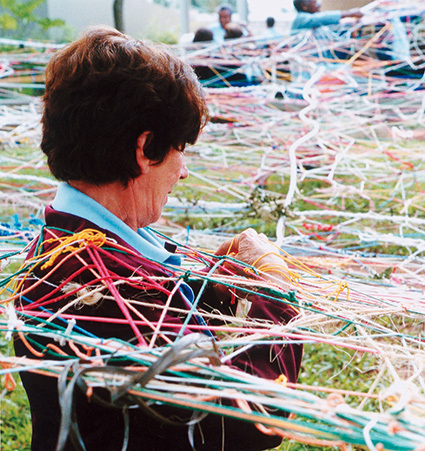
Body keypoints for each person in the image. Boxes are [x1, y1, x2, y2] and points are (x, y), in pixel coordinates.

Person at [13, 26, 302, 450]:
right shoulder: (105, 284)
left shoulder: (63, 241)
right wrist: (275, 288)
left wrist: (220, 293)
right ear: (145, 149)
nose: (183, 171)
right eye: (180, 148)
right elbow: (251, 418)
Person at [290, 0, 363, 34]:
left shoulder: (309, 24)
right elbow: (319, 18)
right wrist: (350, 13)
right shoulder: (301, 18)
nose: (319, 5)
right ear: (304, 6)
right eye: (314, 2)